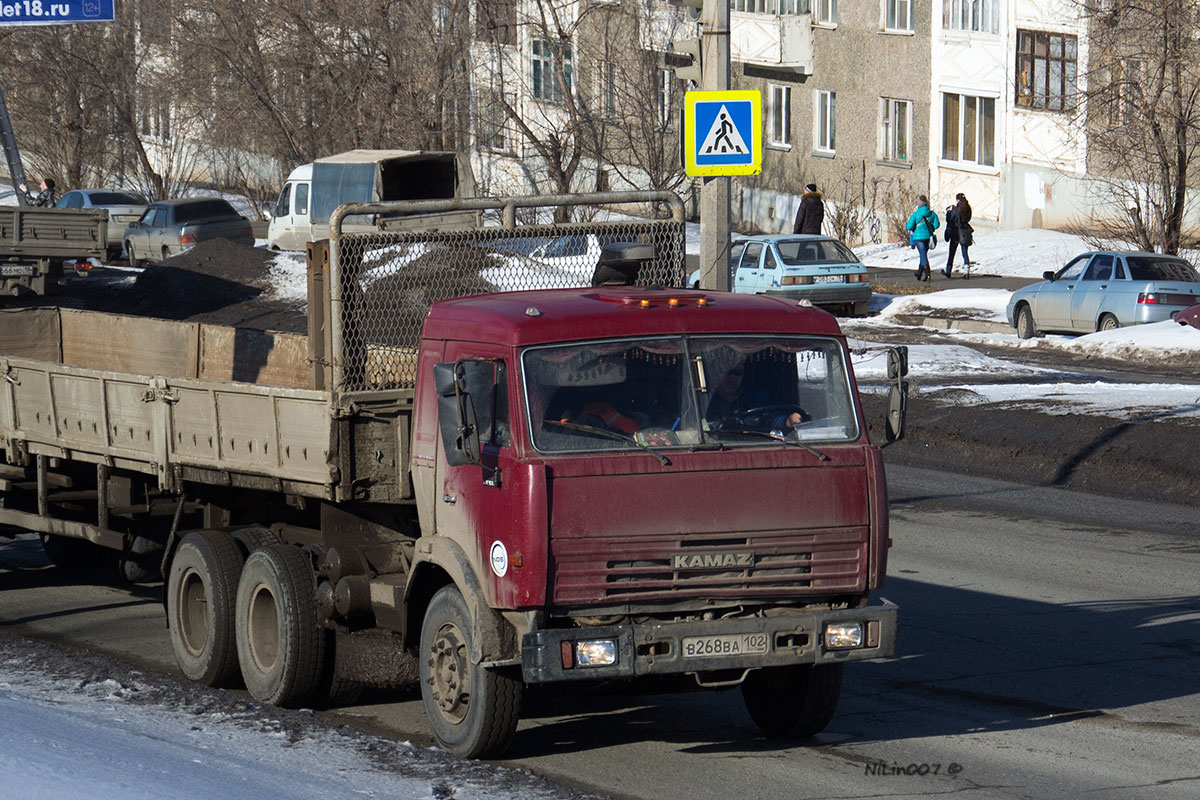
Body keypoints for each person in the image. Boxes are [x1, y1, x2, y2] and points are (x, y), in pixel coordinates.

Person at [705, 362, 807, 431]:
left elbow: (772, 418)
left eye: (738, 373)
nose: (733, 378)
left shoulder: (755, 397)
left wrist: (788, 421)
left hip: (753, 446)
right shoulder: (705, 400)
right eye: (728, 372)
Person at [906, 195, 940, 282]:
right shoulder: (932, 214)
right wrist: (930, 228)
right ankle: (919, 273)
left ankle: (928, 274)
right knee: (923, 254)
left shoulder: (916, 214)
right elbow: (937, 225)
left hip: (918, 238)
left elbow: (909, 226)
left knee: (923, 255)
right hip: (928, 237)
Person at [943, 193, 973, 279]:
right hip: (965, 231)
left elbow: (951, 219)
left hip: (955, 231)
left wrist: (949, 212)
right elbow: (968, 218)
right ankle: (966, 270)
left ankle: (948, 270)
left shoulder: (956, 210)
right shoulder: (968, 208)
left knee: (952, 252)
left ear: (958, 200)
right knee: (964, 252)